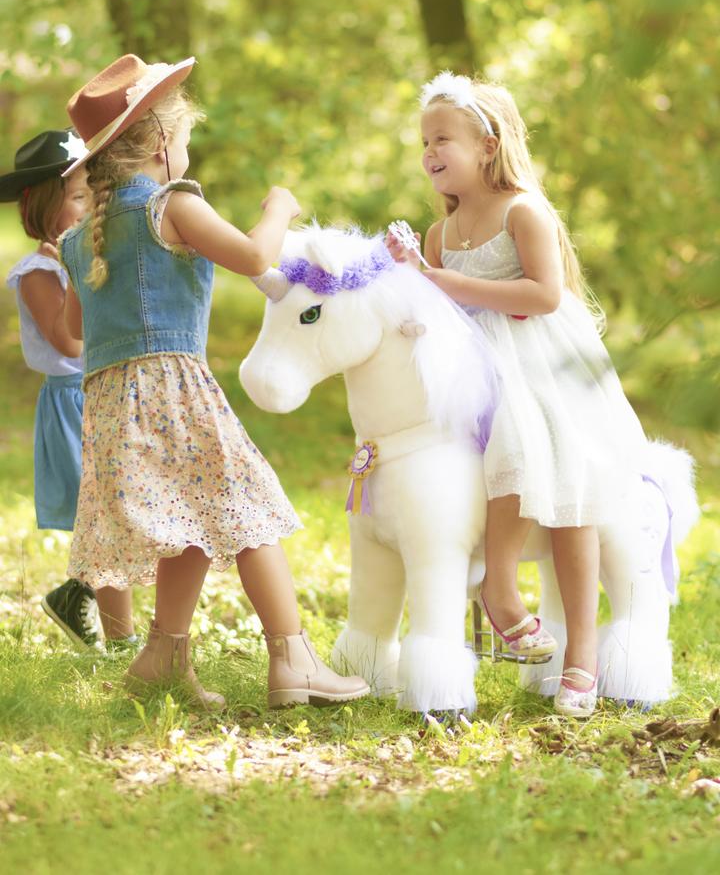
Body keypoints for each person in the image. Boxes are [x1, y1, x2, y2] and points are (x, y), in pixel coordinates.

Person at [57, 53, 369, 710]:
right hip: (173, 387)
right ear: (164, 140)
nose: (189, 152)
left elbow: (74, 327)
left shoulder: (81, 238)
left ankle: (162, 658)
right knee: (245, 510)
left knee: (191, 516)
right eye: (188, 139)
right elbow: (255, 255)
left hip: (113, 401)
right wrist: (279, 207)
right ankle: (294, 659)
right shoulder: (173, 205)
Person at [387, 72, 648, 717]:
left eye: (442, 137)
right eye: (424, 141)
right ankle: (496, 589)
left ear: (488, 142)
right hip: (474, 369)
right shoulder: (439, 233)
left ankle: (577, 655)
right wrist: (414, 280)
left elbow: (543, 296)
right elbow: (440, 307)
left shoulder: (523, 210)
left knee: (558, 466)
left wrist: (441, 280)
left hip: (544, 368)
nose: (429, 152)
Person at [2, 130, 136, 650]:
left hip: (103, 393)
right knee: (104, 517)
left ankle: (75, 592)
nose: (88, 208)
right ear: (42, 207)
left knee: (118, 510)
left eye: (92, 195)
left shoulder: (88, 258)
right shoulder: (38, 271)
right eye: (78, 197)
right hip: (71, 401)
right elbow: (69, 338)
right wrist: (79, 275)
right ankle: (122, 641)